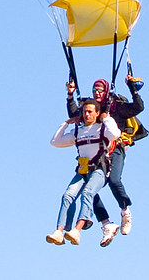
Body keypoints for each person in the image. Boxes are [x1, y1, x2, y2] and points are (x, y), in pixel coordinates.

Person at [66, 76, 144, 246]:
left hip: (115, 149)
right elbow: (74, 114)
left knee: (114, 180)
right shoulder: (91, 108)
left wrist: (133, 88)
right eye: (94, 90)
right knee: (88, 188)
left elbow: (138, 107)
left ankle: (125, 212)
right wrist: (70, 96)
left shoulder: (115, 106)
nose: (97, 93)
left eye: (100, 90)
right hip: (97, 153)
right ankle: (106, 224)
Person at [46, 99, 120, 246]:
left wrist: (107, 118)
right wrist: (66, 123)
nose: (86, 115)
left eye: (90, 112)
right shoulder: (78, 131)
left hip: (99, 170)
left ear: (96, 113)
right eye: (85, 112)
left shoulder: (102, 129)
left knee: (87, 193)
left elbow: (115, 134)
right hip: (82, 171)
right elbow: (55, 142)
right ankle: (59, 231)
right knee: (67, 195)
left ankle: (77, 230)